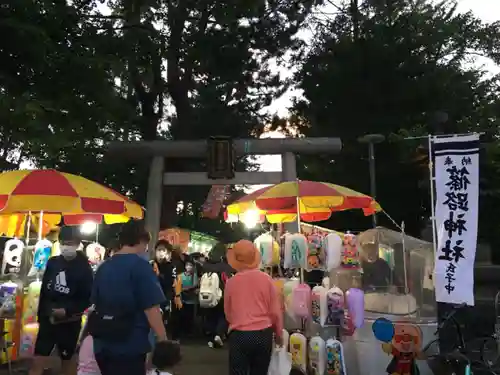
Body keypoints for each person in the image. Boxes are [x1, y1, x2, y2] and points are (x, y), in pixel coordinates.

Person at [89, 220, 168, 375]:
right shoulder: (141, 267)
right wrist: (163, 338)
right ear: (141, 241)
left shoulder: (104, 267)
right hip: (129, 344)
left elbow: (94, 304)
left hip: (102, 343)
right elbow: (151, 308)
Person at [29, 226, 94, 375]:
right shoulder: (53, 263)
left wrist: (67, 310)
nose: (66, 247)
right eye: (64, 242)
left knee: (67, 361)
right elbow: (44, 291)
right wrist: (42, 316)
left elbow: (87, 298)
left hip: (69, 323)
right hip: (48, 320)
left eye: (70, 243)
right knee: (38, 359)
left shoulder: (84, 267)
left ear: (78, 244)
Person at [224, 240, 283, 375]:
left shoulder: (231, 282)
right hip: (263, 334)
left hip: (239, 334)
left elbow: (228, 313)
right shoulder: (267, 279)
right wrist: (279, 334)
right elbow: (275, 311)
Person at [202, 253, 234, 348]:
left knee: (212, 316)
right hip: (222, 296)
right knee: (223, 316)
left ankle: (212, 338)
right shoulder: (226, 267)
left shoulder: (206, 267)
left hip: (209, 296)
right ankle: (218, 335)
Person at [179, 260, 198, 337]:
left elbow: (194, 285)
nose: (189, 267)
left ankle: (189, 331)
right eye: (187, 265)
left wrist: (185, 288)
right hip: (182, 299)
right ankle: (183, 330)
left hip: (191, 300)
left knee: (189, 316)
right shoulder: (181, 275)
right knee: (183, 315)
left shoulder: (194, 276)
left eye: (190, 265)